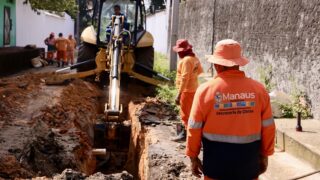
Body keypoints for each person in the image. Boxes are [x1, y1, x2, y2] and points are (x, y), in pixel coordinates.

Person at [186, 39, 276, 180]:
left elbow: (194, 127)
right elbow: (268, 126)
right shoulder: (258, 90)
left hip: (215, 164)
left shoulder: (205, 91)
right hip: (248, 163)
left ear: (216, 64)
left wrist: (193, 156)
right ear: (238, 63)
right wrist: (265, 154)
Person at [171, 39, 203, 142]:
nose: (178, 53)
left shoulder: (186, 61)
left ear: (182, 51)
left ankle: (185, 134)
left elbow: (185, 78)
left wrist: (179, 94)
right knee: (192, 113)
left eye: (179, 51)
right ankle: (192, 133)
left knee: (185, 114)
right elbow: (200, 71)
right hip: (194, 89)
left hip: (186, 91)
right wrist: (192, 77)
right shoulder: (194, 58)